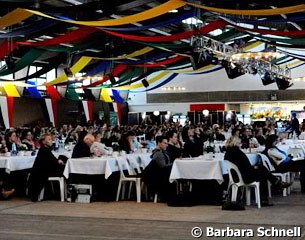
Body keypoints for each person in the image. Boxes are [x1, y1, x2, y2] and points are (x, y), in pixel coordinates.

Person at [224, 136, 291, 206]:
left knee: (262, 170)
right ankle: (274, 187)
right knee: (263, 171)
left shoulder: (228, 153)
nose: (240, 144)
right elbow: (246, 166)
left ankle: (277, 184)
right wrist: (254, 167)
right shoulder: (238, 152)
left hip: (237, 176)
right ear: (236, 143)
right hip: (245, 176)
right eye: (239, 143)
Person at [28, 134, 67, 202]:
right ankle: (63, 193)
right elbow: (52, 163)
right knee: (65, 169)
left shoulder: (45, 150)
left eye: (51, 139)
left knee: (63, 160)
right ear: (43, 142)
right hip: (43, 173)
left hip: (46, 170)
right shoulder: (44, 151)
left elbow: (53, 161)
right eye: (49, 139)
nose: (51, 141)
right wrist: (59, 162)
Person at [142, 135, 175, 202]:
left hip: (157, 174)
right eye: (165, 143)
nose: (167, 145)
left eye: (167, 143)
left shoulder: (160, 152)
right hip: (156, 177)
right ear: (159, 143)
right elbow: (163, 167)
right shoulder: (158, 154)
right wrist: (174, 163)